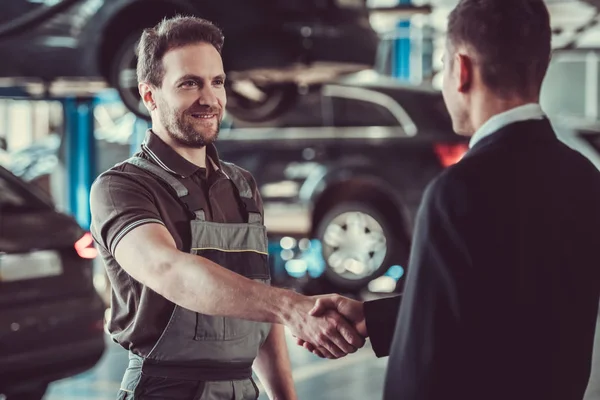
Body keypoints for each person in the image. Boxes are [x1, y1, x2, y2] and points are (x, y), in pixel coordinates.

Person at [299, 1, 600, 399]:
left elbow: (423, 365)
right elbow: (508, 306)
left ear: (460, 69)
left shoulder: (458, 191)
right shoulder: (585, 178)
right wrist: (375, 317)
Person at [90, 16, 364, 400]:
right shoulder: (122, 187)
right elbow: (170, 271)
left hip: (242, 389)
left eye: (216, 82)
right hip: (166, 390)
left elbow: (258, 298)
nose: (209, 98)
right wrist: (291, 308)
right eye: (189, 83)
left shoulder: (241, 186)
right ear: (149, 95)